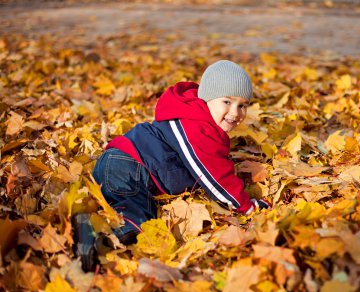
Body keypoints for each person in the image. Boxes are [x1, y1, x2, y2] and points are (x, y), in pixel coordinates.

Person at [73, 60, 271, 272]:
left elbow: (211, 162)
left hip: (124, 164)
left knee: (129, 209)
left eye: (242, 105)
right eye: (227, 102)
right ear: (207, 98)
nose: (235, 112)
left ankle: (97, 227)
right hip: (129, 167)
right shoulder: (197, 127)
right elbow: (216, 178)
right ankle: (92, 233)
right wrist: (247, 206)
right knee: (140, 225)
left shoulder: (195, 118)